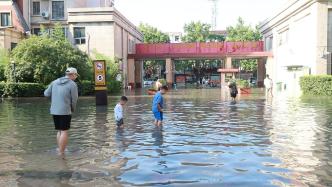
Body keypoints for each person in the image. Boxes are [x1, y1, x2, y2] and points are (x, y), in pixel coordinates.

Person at [44, 67, 79, 156]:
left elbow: (46, 94)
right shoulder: (72, 84)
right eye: (76, 75)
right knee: (64, 131)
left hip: (54, 110)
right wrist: (73, 109)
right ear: (73, 74)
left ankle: (60, 149)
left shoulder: (54, 82)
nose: (76, 77)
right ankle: (62, 153)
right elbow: (74, 99)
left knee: (59, 131)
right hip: (65, 111)